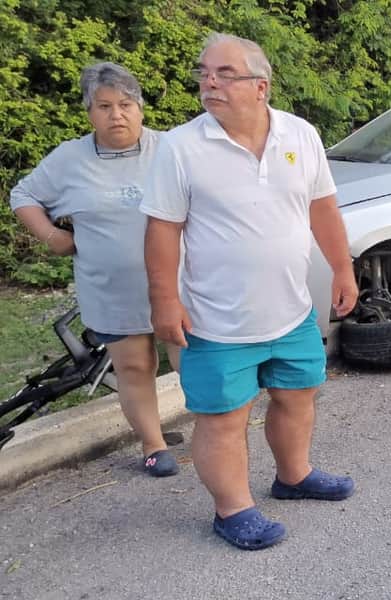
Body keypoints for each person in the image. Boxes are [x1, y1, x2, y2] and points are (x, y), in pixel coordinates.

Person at [140, 33, 358, 550]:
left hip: (291, 310)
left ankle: (294, 476)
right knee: (222, 418)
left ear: (261, 86)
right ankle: (232, 509)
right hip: (216, 321)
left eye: (224, 73)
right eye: (204, 73)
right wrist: (164, 301)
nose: (209, 82)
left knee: (298, 397)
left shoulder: (300, 135)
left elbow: (322, 208)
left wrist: (343, 270)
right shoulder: (180, 147)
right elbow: (162, 230)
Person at [8, 62, 181, 477]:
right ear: (89, 112)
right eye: (103, 106)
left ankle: (215, 431)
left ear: (140, 107)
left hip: (177, 286)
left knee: (192, 360)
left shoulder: (173, 149)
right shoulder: (70, 158)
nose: (115, 114)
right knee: (135, 365)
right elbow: (23, 194)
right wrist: (54, 237)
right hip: (111, 289)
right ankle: (153, 444)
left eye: (125, 104)